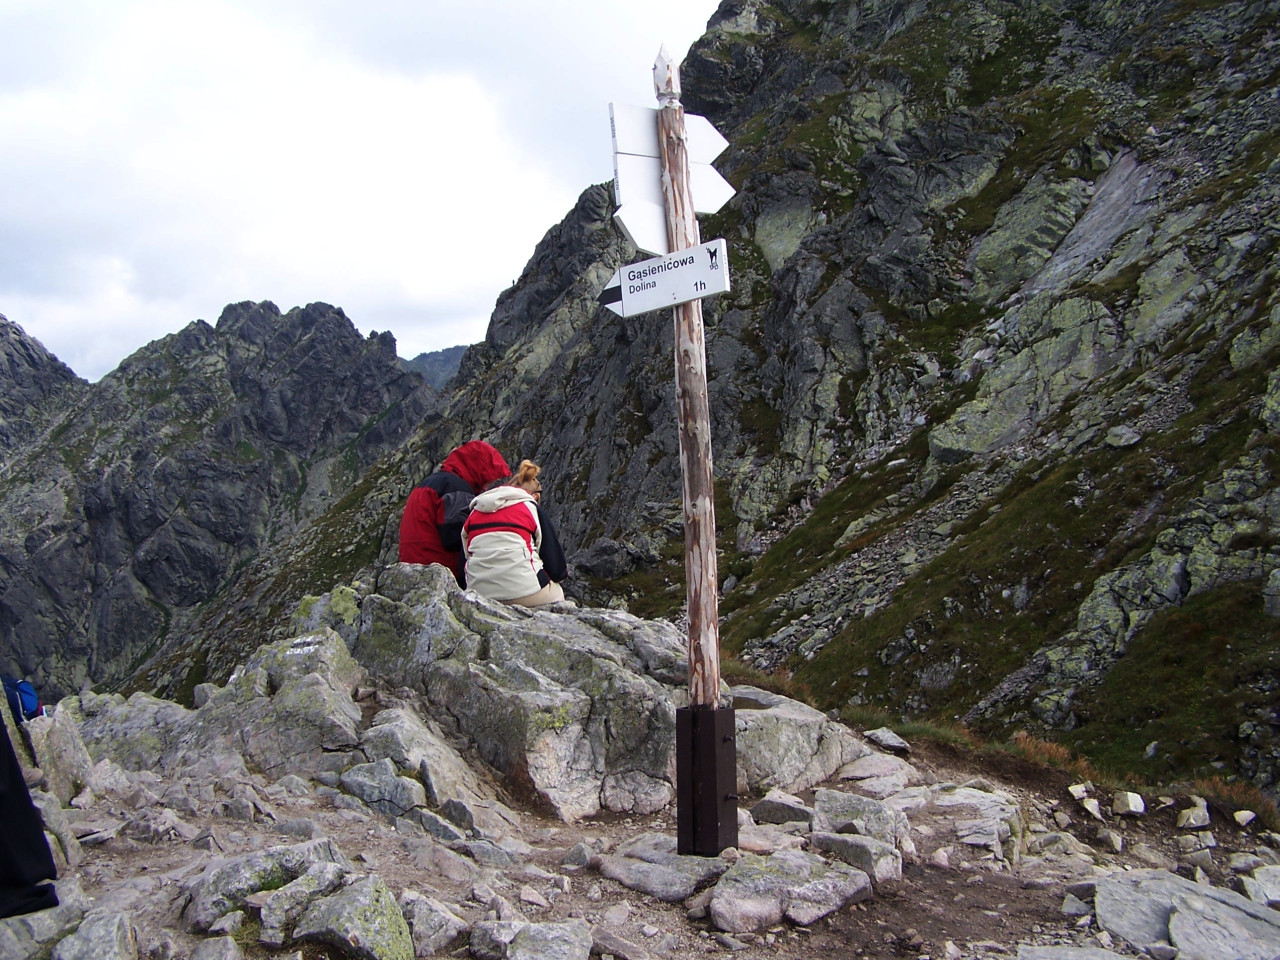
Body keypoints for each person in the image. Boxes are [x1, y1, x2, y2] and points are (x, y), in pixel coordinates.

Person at [399, 440, 510, 585]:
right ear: (479, 469)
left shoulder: (432, 482)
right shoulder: (456, 487)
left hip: (411, 569)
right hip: (438, 572)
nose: (487, 486)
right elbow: (456, 536)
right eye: (488, 479)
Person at [462, 460, 568, 607]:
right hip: (524, 592)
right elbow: (555, 564)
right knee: (557, 594)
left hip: (478, 593)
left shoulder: (476, 511)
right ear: (535, 496)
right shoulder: (530, 507)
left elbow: (467, 554)